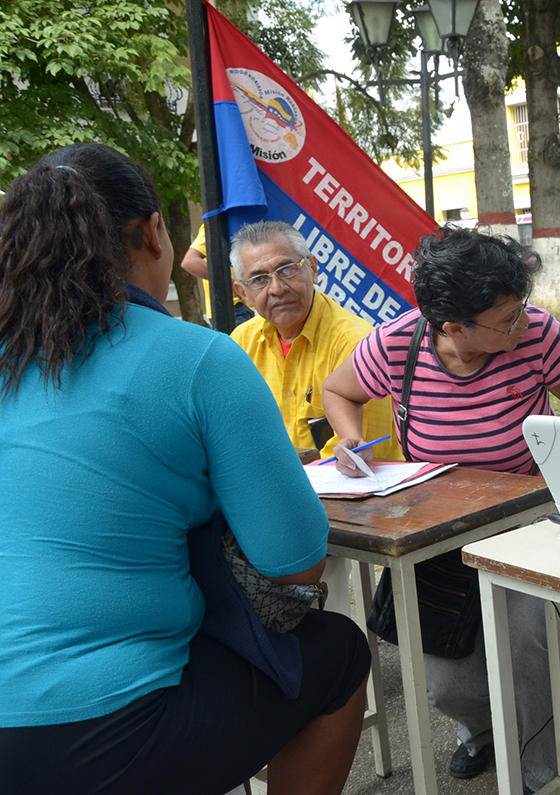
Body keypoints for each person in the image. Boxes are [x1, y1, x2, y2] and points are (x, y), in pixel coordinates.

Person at [0, 143, 371, 795]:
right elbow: (296, 563)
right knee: (337, 651)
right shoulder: (201, 358)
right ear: (153, 233)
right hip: (105, 730)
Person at [322, 227, 560, 790]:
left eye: (521, 310)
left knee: (526, 640)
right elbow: (338, 391)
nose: (522, 325)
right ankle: (481, 729)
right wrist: (346, 439)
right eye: (506, 320)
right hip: (438, 525)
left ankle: (540, 772)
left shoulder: (538, 339)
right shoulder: (398, 345)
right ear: (453, 326)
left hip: (526, 515)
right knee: (444, 683)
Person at [229, 221, 401, 461]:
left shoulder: (356, 343)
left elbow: (363, 456)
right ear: (243, 292)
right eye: (259, 279)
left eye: (287, 269)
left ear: (313, 268)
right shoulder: (240, 343)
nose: (277, 288)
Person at [180, 223, 256, 327]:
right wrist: (231, 283)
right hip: (233, 306)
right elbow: (190, 261)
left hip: (235, 306)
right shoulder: (215, 225)